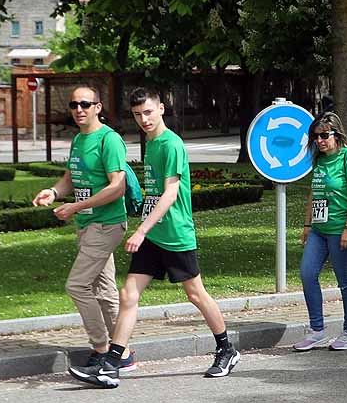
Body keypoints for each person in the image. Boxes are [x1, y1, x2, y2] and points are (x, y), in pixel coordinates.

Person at [68, 88, 240, 387]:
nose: (143, 120)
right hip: (153, 232)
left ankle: (226, 349)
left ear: (161, 108)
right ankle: (112, 363)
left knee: (195, 294)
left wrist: (141, 229)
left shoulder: (171, 144)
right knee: (128, 294)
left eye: (148, 112)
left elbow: (171, 193)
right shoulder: (150, 141)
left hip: (174, 234)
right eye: (137, 115)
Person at [32, 85, 135, 372]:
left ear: (98, 107)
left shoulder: (109, 140)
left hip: (107, 224)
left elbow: (117, 187)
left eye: (85, 104)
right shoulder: (79, 139)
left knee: (76, 285)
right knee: (104, 290)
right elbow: (70, 178)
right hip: (88, 224)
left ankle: (102, 349)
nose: (79, 109)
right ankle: (122, 353)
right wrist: (53, 192)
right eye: (75, 104)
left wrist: (75, 207)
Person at [293, 112, 347, 352]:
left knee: (345, 282)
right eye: (316, 137)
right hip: (319, 230)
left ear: (337, 134)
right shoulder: (320, 160)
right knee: (307, 273)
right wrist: (307, 225)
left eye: (325, 135)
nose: (320, 141)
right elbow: (314, 194)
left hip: (342, 230)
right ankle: (317, 330)